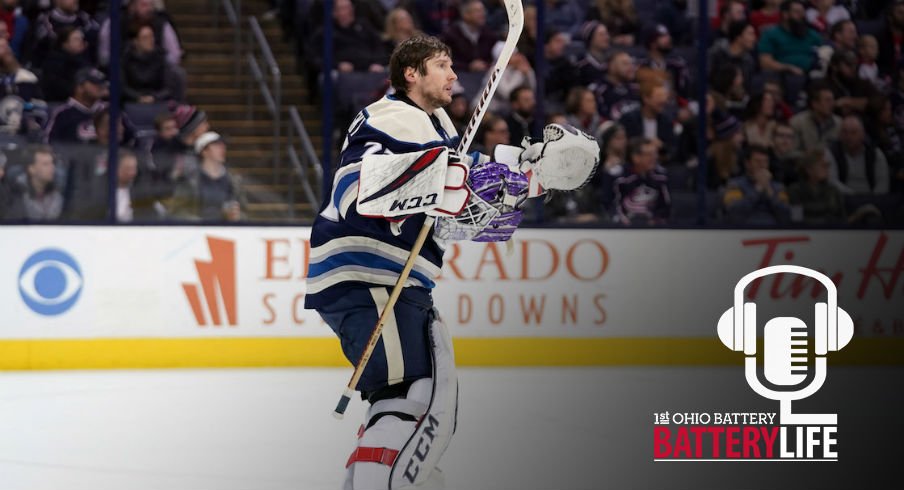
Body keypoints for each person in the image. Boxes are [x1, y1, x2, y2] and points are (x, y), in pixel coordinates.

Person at [304, 35, 596, 490]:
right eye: (442, 65)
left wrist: (530, 173)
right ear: (411, 74)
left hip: (387, 280)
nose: (454, 75)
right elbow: (353, 188)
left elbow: (464, 184)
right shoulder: (392, 115)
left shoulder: (432, 126)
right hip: (374, 275)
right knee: (410, 399)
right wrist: (437, 177)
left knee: (404, 397)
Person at [169, 131, 245, 221]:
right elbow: (176, 212)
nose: (223, 148)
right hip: (196, 233)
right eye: (216, 145)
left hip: (225, 233)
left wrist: (237, 217)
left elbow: (246, 213)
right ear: (204, 151)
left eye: (223, 145)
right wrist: (199, 223)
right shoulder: (189, 180)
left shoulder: (234, 180)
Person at [722, 144, 791, 225]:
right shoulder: (735, 185)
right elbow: (734, 213)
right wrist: (757, 189)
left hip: (773, 232)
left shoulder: (778, 187)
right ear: (747, 163)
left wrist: (769, 191)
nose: (762, 165)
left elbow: (786, 216)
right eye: (758, 161)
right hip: (744, 231)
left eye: (765, 161)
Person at [619, 74, 676, 164]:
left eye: (665, 96)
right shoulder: (629, 119)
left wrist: (662, 146)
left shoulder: (667, 121)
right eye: (659, 96)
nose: (664, 100)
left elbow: (672, 150)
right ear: (646, 98)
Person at [825, 115, 890, 195]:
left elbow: (883, 183)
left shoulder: (875, 153)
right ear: (840, 135)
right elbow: (832, 181)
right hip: (844, 200)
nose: (849, 137)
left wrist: (873, 199)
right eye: (845, 132)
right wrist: (855, 198)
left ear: (862, 134)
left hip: (873, 200)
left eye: (853, 132)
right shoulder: (832, 152)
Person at [612, 136, 670, 225]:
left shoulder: (661, 177)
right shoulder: (621, 179)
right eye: (649, 154)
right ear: (636, 157)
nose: (654, 158)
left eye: (655, 154)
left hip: (654, 229)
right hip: (624, 228)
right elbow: (614, 207)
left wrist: (656, 221)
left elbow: (665, 208)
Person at [757, 1, 823, 76]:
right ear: (785, 14)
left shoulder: (810, 34)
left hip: (811, 73)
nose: (802, 15)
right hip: (781, 74)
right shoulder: (770, 34)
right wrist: (788, 68)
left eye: (803, 12)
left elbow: (824, 49)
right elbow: (765, 62)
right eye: (797, 12)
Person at [44, 66, 107, 145]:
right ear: (79, 87)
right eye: (94, 83)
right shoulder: (62, 114)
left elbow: (126, 142)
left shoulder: (109, 110)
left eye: (101, 83)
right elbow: (48, 144)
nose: (100, 87)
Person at [121, 25, 182, 103]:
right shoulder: (126, 59)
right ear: (136, 41)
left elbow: (168, 88)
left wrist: (154, 97)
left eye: (152, 37)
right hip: (132, 101)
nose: (151, 40)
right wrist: (138, 97)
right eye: (145, 38)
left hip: (157, 101)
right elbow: (123, 87)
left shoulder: (160, 58)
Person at [788, 149, 846, 224]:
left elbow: (842, 219)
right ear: (809, 169)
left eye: (827, 165)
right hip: (806, 232)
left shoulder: (833, 190)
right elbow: (796, 219)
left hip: (831, 233)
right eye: (823, 165)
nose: (827, 169)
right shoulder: (795, 190)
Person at [6, 145, 63, 221]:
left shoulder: (59, 195)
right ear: (31, 169)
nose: (52, 167)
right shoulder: (14, 196)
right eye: (46, 164)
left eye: (52, 163)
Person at [441, 0, 497, 72]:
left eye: (483, 10)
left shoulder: (489, 33)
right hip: (458, 75)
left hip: (485, 74)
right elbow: (444, 60)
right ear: (466, 15)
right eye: (478, 11)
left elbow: (493, 57)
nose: (483, 14)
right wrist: (468, 66)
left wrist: (486, 64)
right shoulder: (450, 35)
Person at [638, 23, 690, 100]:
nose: (669, 38)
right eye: (663, 36)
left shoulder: (677, 64)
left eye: (668, 35)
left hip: (673, 107)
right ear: (652, 43)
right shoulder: (640, 65)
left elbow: (684, 92)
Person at [790, 81, 841, 153]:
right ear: (815, 104)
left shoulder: (840, 124)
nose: (832, 104)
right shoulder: (797, 122)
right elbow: (791, 151)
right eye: (827, 100)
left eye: (833, 100)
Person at [592, 49, 639, 121]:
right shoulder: (599, 91)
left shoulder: (636, 89)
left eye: (631, 64)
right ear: (611, 66)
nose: (631, 67)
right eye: (625, 64)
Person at [575, 20, 610, 86]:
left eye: (606, 34)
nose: (607, 37)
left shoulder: (611, 62)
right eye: (601, 34)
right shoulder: (581, 65)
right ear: (590, 39)